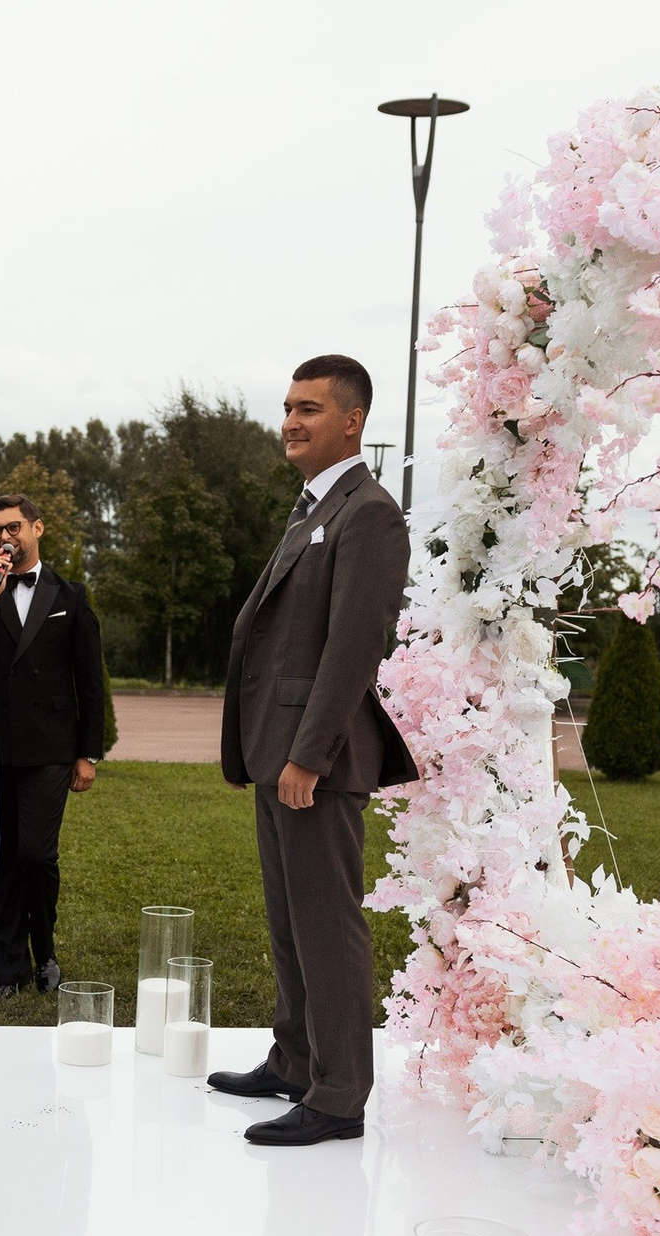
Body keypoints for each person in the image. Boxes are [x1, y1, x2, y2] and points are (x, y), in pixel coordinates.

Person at [208, 356, 417, 1147]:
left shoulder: (368, 512)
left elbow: (353, 646)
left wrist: (309, 753)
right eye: (288, 405)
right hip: (276, 749)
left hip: (314, 758)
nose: (290, 420)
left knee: (327, 922)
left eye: (309, 407)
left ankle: (338, 1094)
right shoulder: (313, 507)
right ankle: (295, 1059)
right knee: (289, 918)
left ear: (352, 420)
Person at [0, 492, 106, 1000]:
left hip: (51, 750)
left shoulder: (70, 596)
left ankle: (45, 950)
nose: (5, 538)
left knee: (35, 853)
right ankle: (9, 969)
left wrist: (87, 754)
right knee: (2, 856)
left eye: (13, 528)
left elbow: (89, 681)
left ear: (37, 529)